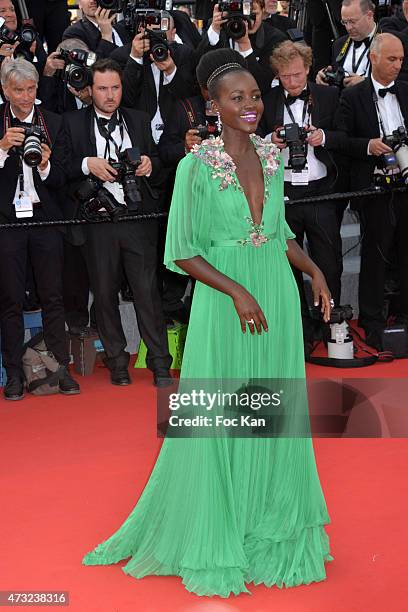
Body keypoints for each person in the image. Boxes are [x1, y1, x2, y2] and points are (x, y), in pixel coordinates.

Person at [82, 49, 333, 597]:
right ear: (212, 106)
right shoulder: (195, 166)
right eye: (236, 98)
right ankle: (217, 524)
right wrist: (237, 290)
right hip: (227, 305)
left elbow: (279, 229)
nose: (250, 105)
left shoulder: (271, 156)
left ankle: (267, 519)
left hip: (277, 296)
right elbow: (182, 251)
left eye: (255, 96)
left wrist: (312, 269)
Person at [63, 58, 172, 387]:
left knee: (147, 292)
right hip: (97, 221)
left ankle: (159, 363)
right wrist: (87, 164)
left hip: (137, 217)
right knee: (105, 292)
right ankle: (116, 361)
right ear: (89, 91)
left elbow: (160, 165)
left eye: (115, 88)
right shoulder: (71, 123)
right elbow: (60, 170)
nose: (110, 95)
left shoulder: (138, 120)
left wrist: (150, 166)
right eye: (102, 89)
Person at [258, 40, 345, 354]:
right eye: (285, 76)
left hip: (321, 190)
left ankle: (332, 325)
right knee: (286, 268)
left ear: (308, 69)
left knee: (329, 263)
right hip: (283, 193)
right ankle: (299, 331)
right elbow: (253, 140)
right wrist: (272, 140)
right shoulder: (266, 101)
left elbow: (345, 136)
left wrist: (322, 137)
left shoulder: (328, 96)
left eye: (296, 75)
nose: (292, 82)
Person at [0, 58, 80, 400]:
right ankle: (14, 375)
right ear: (5, 90)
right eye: (18, 90)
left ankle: (61, 369)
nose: (26, 96)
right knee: (10, 301)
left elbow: (65, 178)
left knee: (53, 297)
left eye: (31, 89)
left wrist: (46, 164)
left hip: (46, 218)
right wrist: (2, 148)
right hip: (6, 221)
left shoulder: (54, 122)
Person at [335, 33, 408, 350]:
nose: (398, 65)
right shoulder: (353, 97)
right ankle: (372, 320)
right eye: (392, 59)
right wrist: (369, 146)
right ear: (374, 58)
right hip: (374, 189)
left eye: (402, 59)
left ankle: (404, 315)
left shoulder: (405, 90)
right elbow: (340, 139)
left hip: (406, 187)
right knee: (375, 256)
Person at [196, 0, 286, 92]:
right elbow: (198, 65)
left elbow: (262, 85)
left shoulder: (275, 38)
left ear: (263, 11)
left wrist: (245, 47)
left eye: (253, 15)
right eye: (241, 14)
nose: (248, 21)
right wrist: (214, 31)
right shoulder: (219, 27)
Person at [316, 0, 377, 88]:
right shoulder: (338, 44)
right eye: (344, 22)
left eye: (353, 21)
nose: (348, 28)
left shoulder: (391, 42)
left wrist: (368, 83)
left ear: (369, 16)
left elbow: (401, 82)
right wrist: (324, 77)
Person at [62, 0, 130, 58]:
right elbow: (88, 70)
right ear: (79, 4)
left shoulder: (125, 27)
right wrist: (106, 36)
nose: (92, 1)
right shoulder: (73, 33)